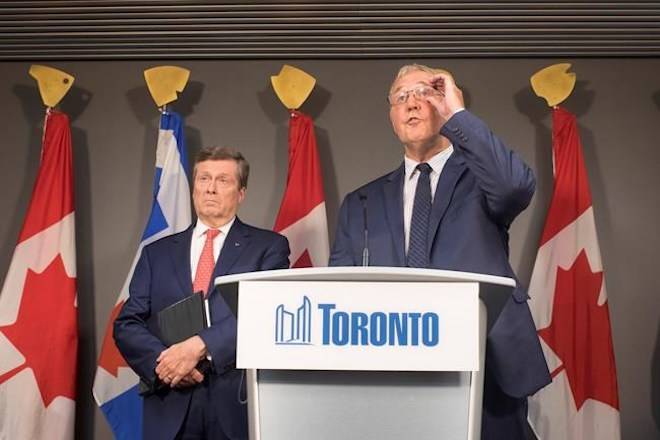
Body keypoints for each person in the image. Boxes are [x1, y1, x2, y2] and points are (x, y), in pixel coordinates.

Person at [329, 64, 551, 439]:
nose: (412, 104)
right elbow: (339, 289)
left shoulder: (482, 180)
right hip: (391, 376)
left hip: (485, 368)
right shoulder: (360, 202)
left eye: (424, 93)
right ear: (391, 115)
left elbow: (516, 187)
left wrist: (457, 114)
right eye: (401, 97)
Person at [114, 146, 290, 440]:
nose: (210, 188)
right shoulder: (155, 254)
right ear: (193, 188)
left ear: (241, 193)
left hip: (235, 403)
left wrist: (199, 345)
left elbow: (267, 314)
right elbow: (127, 323)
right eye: (203, 179)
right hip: (169, 401)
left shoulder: (268, 248)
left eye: (223, 180)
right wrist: (167, 364)